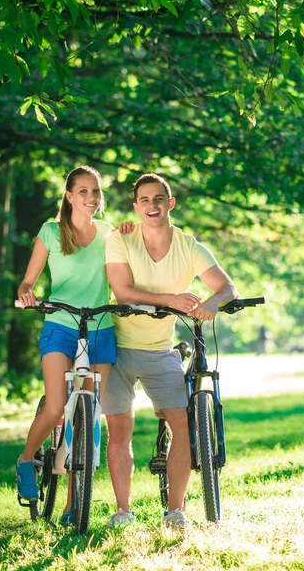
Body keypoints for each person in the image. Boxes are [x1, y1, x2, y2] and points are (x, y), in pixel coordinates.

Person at [102, 173, 239, 529]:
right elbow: (123, 291)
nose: (152, 206)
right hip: (116, 346)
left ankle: (175, 511)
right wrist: (171, 300)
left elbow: (227, 287)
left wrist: (210, 302)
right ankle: (123, 511)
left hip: (159, 350)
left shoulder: (188, 246)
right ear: (136, 207)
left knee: (183, 424)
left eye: (158, 199)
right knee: (120, 429)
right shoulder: (122, 238)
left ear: (170, 202)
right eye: (144, 200)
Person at [16, 165, 132, 524]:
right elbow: (27, 282)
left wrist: (131, 230)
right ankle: (25, 461)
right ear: (69, 196)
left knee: (88, 418)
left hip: (99, 329)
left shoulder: (111, 234)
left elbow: (133, 256)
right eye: (82, 191)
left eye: (95, 192)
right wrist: (27, 293)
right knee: (54, 408)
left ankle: (72, 503)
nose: (90, 198)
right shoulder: (51, 232)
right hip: (60, 327)